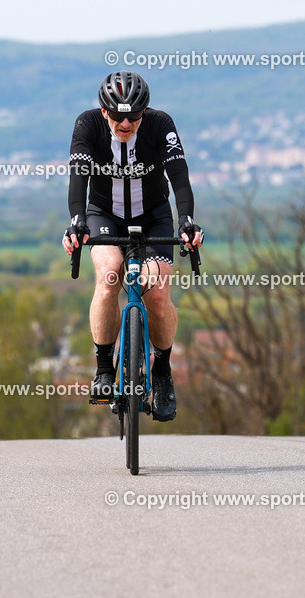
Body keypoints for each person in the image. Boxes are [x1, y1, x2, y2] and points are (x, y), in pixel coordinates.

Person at [62, 71, 204, 421]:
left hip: (154, 215)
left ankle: (162, 372)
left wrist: (185, 220)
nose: (126, 123)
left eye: (134, 116)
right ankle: (104, 367)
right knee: (110, 275)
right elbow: (78, 178)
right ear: (103, 110)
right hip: (104, 212)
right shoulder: (87, 125)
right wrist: (77, 221)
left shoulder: (160, 124)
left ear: (145, 112)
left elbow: (180, 176)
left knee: (156, 293)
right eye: (118, 115)